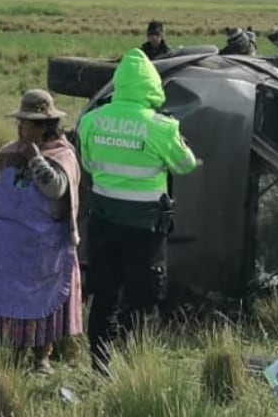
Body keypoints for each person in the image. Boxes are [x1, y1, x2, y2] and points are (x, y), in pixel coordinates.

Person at [77, 48, 199, 374]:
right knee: (142, 299)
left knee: (105, 296)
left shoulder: (91, 120)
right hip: (145, 229)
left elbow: (88, 163)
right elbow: (185, 165)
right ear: (151, 85)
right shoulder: (161, 127)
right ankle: (136, 370)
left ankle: (100, 365)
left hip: (103, 221)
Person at [0, 89, 83, 375]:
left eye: (26, 123)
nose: (20, 127)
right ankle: (13, 351)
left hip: (43, 245)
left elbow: (55, 189)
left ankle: (41, 356)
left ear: (43, 126)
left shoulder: (62, 155)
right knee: (8, 299)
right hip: (6, 243)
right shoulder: (8, 153)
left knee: (42, 301)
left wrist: (35, 159)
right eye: (19, 122)